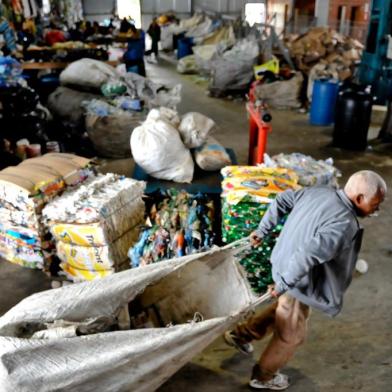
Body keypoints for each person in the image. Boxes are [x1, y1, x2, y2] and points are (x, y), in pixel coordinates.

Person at [224, 170, 387, 390]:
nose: (377, 210)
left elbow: (282, 199)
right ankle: (263, 377)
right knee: (291, 335)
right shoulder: (344, 224)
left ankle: (240, 335)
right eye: (375, 205)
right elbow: (307, 255)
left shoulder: (320, 192)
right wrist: (283, 285)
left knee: (284, 310)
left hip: (284, 264)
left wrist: (262, 230)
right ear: (359, 198)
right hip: (298, 279)